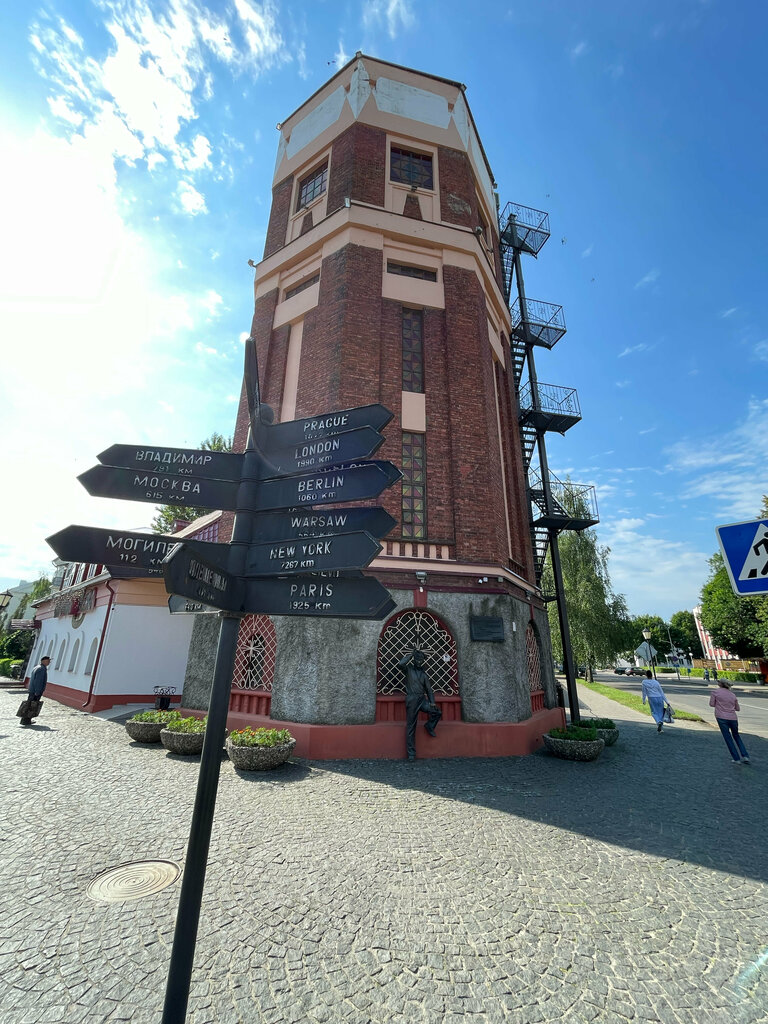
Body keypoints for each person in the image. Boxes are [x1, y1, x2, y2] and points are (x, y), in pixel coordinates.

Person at [398, 649, 441, 761]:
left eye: (421, 660)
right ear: (414, 660)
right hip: (412, 699)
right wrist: (410, 655)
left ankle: (429, 726)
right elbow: (401, 664)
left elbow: (429, 690)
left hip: (422, 699)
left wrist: (432, 702)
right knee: (411, 727)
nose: (419, 662)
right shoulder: (408, 670)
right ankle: (411, 753)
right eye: (417, 659)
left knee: (437, 712)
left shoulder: (423, 675)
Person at [709, 679, 750, 765]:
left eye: (718, 682)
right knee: (736, 736)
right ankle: (745, 756)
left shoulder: (715, 692)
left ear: (720, 684)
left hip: (721, 717)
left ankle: (736, 759)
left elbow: (711, 704)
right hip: (733, 718)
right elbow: (737, 708)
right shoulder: (732, 695)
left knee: (728, 738)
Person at [21, 655, 50, 726]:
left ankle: (25, 719)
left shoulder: (37, 667)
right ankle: (27, 720)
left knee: (29, 704)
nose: (49, 662)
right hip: (35, 690)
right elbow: (38, 681)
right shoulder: (41, 669)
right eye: (48, 661)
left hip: (32, 689)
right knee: (32, 705)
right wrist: (37, 691)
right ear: (44, 661)